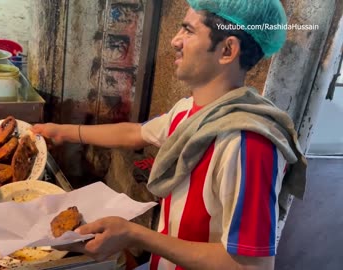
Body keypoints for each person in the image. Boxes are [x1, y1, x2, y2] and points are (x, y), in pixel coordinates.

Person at [32, 0, 308, 269]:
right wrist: (63, 131)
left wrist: (135, 235)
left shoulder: (248, 144)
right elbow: (135, 133)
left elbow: (252, 265)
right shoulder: (188, 111)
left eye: (188, 30)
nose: (175, 41)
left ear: (227, 50)